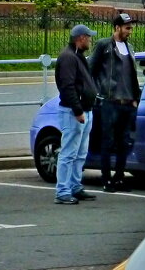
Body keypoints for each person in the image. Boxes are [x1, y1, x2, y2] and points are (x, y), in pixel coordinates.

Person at [89, 12, 141, 192]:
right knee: (107, 141)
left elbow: (132, 75)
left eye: (131, 28)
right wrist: (98, 93)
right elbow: (91, 71)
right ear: (117, 28)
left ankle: (119, 178)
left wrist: (135, 99)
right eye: (127, 28)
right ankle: (106, 179)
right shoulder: (104, 45)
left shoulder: (130, 47)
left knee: (123, 142)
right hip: (110, 102)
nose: (130, 31)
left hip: (127, 103)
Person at [54, 23, 99, 204]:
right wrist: (78, 109)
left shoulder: (77, 56)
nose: (90, 40)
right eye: (89, 37)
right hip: (74, 113)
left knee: (80, 153)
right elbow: (67, 86)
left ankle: (74, 186)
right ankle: (63, 191)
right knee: (68, 153)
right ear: (81, 38)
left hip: (84, 111)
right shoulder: (68, 58)